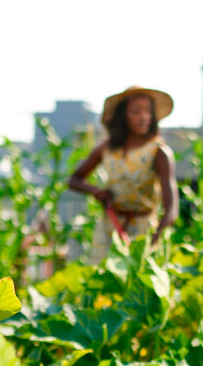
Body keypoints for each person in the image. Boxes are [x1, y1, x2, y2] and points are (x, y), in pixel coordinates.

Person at [67, 86, 178, 259]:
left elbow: (171, 209)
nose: (143, 117)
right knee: (102, 279)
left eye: (148, 111)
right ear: (123, 116)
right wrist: (96, 191)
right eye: (135, 112)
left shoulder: (159, 152)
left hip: (144, 231)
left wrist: (154, 239)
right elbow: (74, 180)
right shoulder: (107, 149)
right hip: (110, 226)